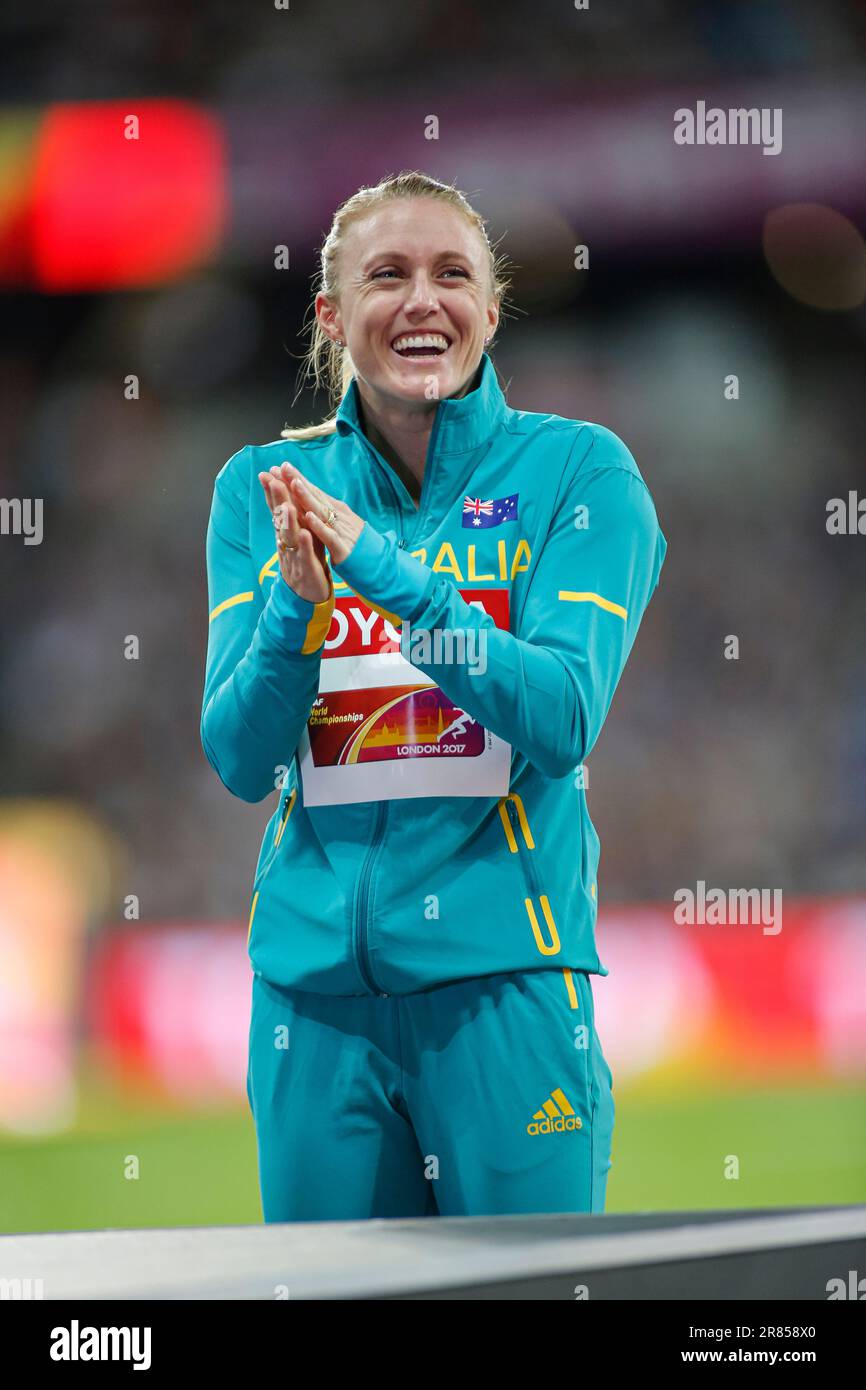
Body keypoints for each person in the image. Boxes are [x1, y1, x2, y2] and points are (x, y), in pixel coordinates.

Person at [200, 170, 667, 1221]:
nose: (422, 299)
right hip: (309, 1006)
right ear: (331, 315)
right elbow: (237, 757)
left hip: (503, 990)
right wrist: (294, 611)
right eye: (387, 275)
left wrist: (385, 573)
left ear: (490, 311)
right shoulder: (261, 490)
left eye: (451, 273)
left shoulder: (579, 473)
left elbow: (558, 716)